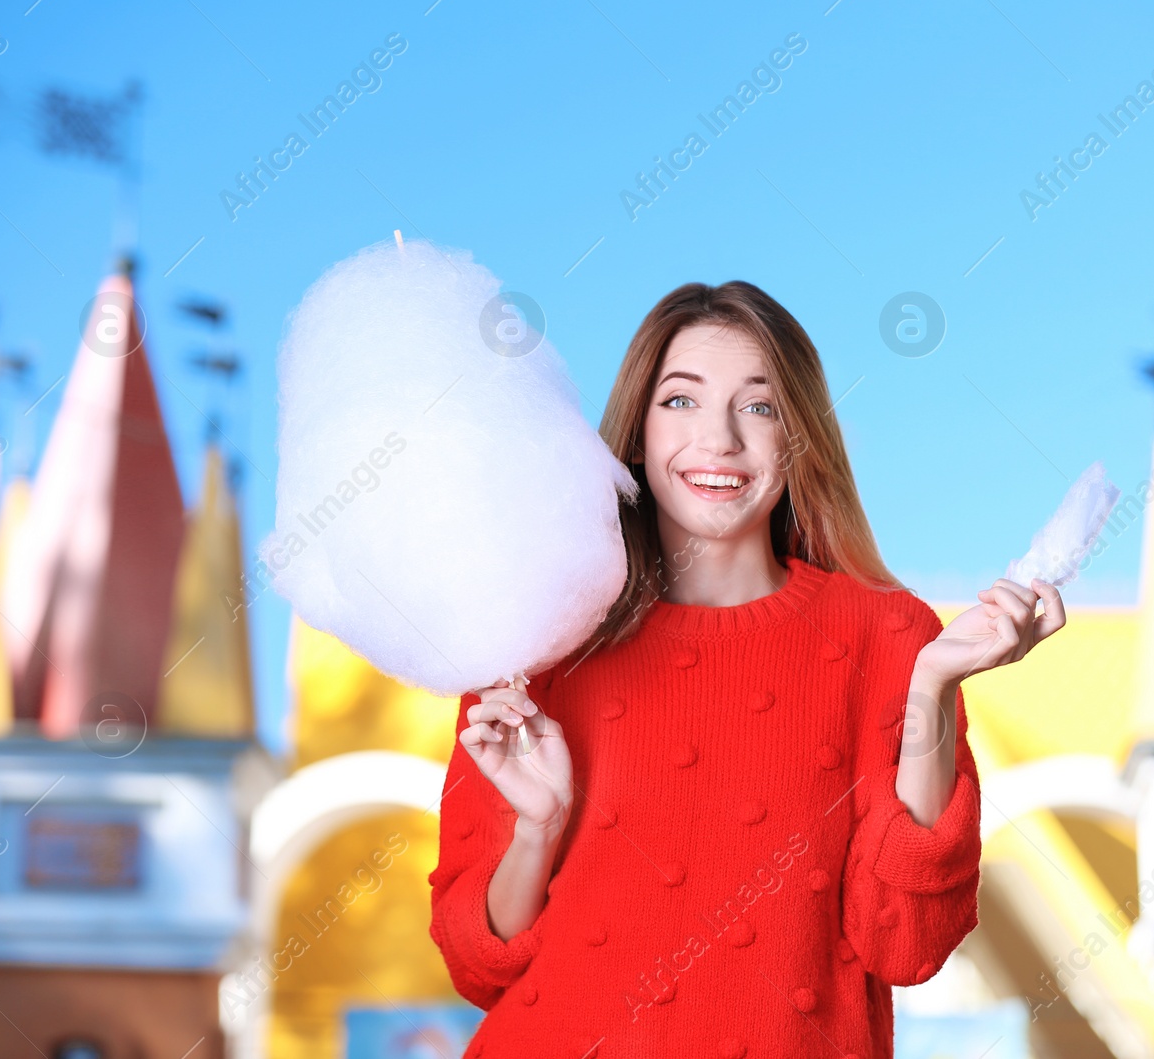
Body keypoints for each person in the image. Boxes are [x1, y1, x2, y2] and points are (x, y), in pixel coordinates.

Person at [427, 281, 1064, 1057]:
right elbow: (475, 966)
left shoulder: (887, 635)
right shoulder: (538, 637)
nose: (719, 439)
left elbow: (908, 945)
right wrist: (539, 826)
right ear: (635, 430)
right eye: (681, 401)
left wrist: (931, 689)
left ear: (799, 438)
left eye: (759, 407)